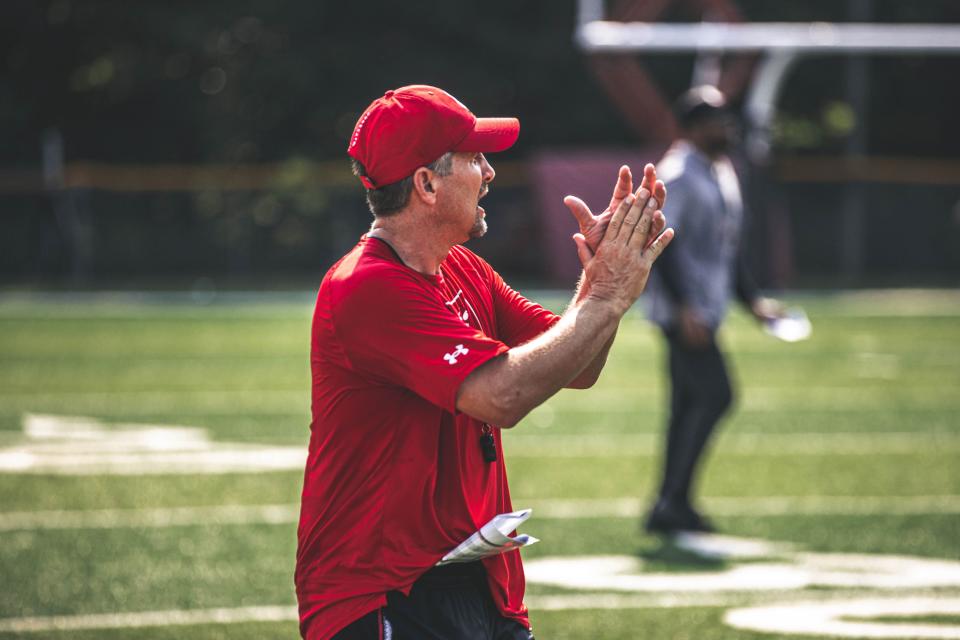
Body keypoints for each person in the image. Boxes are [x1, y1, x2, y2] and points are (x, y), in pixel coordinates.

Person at [295, 84, 673, 640]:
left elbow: (580, 366)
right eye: (474, 158)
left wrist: (596, 286)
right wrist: (605, 297)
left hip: (475, 578)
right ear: (426, 183)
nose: (489, 172)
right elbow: (502, 396)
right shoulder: (365, 286)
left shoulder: (464, 268)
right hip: (378, 590)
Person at [642, 85, 783, 535]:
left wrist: (752, 300)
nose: (726, 128)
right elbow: (662, 242)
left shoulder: (720, 169)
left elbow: (727, 246)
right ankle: (672, 501)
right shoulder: (679, 172)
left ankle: (671, 504)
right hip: (685, 311)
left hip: (706, 306)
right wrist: (684, 307)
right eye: (716, 120)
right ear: (692, 128)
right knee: (715, 394)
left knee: (688, 405)